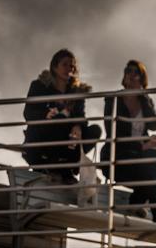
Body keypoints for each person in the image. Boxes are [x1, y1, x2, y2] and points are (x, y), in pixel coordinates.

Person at [101, 60, 156, 224]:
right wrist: (141, 147)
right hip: (117, 160)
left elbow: (154, 124)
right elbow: (112, 132)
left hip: (138, 165)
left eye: (136, 72)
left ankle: (148, 211)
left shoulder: (145, 101)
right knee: (155, 172)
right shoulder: (113, 99)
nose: (131, 74)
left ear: (142, 78)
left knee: (154, 162)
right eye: (128, 71)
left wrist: (144, 99)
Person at [22, 49, 102, 184]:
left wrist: (78, 126)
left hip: (68, 140)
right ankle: (55, 167)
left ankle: (67, 167)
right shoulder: (39, 86)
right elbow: (28, 112)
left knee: (95, 130)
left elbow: (81, 117)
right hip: (44, 136)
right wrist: (45, 115)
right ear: (54, 67)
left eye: (72, 66)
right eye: (64, 64)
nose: (69, 69)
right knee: (59, 121)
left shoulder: (76, 92)